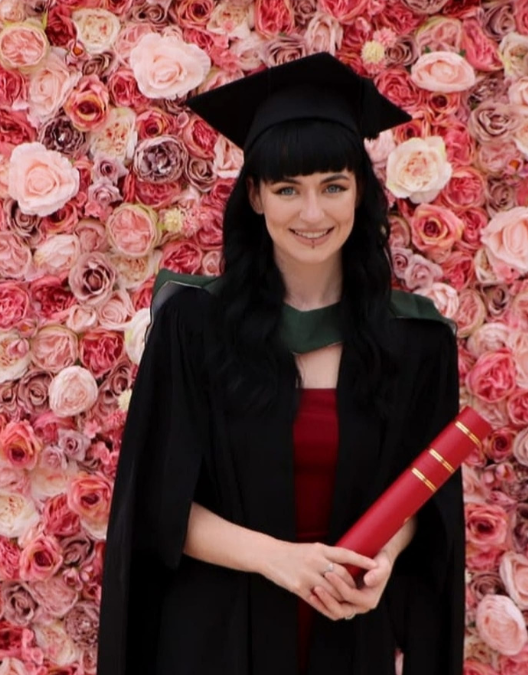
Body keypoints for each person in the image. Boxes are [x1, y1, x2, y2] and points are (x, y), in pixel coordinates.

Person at [97, 53, 463, 675]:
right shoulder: (195, 328)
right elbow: (154, 503)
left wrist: (384, 559)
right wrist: (279, 559)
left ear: (361, 194)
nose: (313, 214)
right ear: (257, 197)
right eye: (288, 189)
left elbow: (428, 499)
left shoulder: (414, 341)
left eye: (333, 186)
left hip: (346, 629)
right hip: (216, 638)